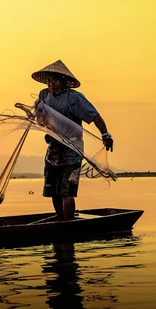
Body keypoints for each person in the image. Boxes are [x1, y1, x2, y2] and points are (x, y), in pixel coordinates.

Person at [32, 60, 114, 221]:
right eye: (49, 80)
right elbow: (40, 118)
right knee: (53, 191)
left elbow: (94, 115)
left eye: (55, 80)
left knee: (66, 192)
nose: (51, 84)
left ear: (64, 81)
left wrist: (106, 135)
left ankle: (68, 225)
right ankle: (60, 218)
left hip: (72, 151)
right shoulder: (44, 95)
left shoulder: (74, 98)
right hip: (53, 151)